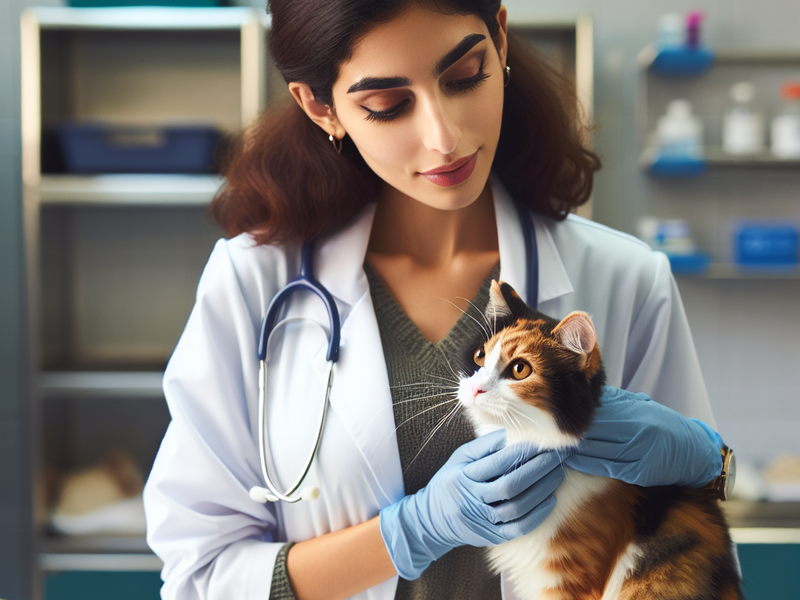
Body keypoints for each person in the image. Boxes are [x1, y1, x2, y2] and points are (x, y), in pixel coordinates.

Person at [143, 1, 728, 599]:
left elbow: (696, 530)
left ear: (500, 39)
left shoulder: (624, 276)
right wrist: (409, 533)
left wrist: (706, 461)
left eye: (465, 76)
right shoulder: (252, 284)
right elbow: (201, 576)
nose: (443, 137)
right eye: (387, 106)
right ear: (321, 107)